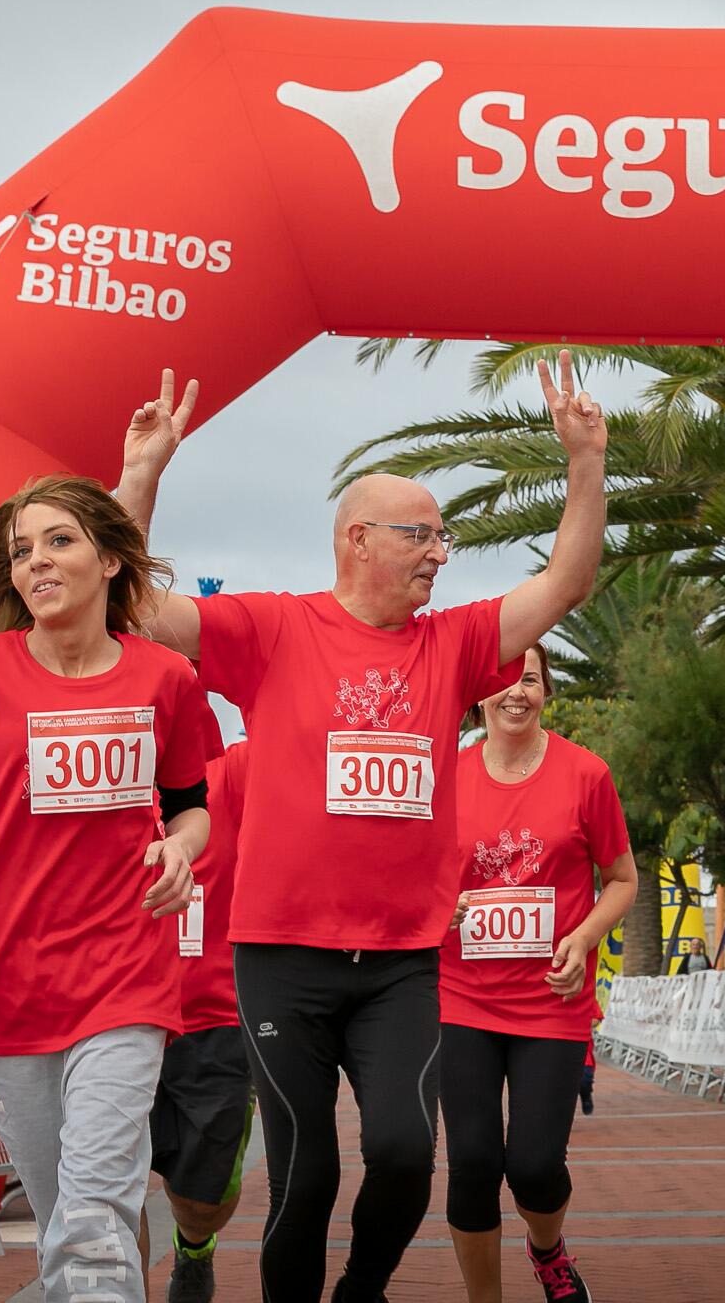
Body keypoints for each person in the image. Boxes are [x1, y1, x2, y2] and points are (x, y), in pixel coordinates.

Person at [112, 358, 606, 1303]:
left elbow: (564, 587)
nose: (439, 553)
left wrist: (584, 463)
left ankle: (362, 1290)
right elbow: (135, 606)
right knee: (306, 1178)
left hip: (403, 960)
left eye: (443, 537)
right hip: (281, 955)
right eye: (420, 535)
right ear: (356, 540)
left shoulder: (453, 643)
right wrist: (143, 476)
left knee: (404, 1156)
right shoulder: (272, 630)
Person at [0, 475, 211, 1303]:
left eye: (58, 541)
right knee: (65, 1218)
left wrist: (180, 851)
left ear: (109, 558)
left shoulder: (166, 679)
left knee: (98, 1210)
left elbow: (191, 810)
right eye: (20, 552)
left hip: (125, 979)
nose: (37, 561)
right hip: (8, 987)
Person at [439, 643, 637, 1303]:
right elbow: (409, 874)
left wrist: (584, 937)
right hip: (460, 996)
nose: (515, 692)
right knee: (471, 1163)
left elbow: (622, 880)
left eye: (529, 679)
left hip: (551, 1002)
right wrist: (443, 905)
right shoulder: (446, 774)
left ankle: (548, 1250)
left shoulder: (586, 775)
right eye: (502, 681)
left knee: (532, 1167)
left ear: (547, 690)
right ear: (480, 695)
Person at [153, 736, 255, 1303]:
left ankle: (194, 1245)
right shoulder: (90, 760)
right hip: (109, 1006)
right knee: (103, 1191)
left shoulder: (231, 771)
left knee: (203, 1203)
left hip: (212, 1018)